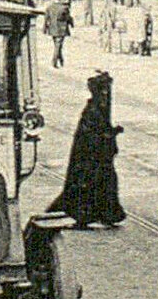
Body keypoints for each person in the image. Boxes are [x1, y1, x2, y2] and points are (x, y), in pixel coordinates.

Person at [48, 72, 126, 229]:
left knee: (104, 182)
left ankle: (104, 214)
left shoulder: (96, 107)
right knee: (95, 183)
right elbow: (95, 134)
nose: (106, 96)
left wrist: (110, 133)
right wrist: (112, 133)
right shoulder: (93, 110)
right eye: (104, 91)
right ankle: (90, 214)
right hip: (91, 158)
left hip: (97, 157)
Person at [43, 0, 73, 69]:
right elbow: (68, 17)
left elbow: (46, 18)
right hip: (61, 28)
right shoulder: (64, 8)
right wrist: (71, 24)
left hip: (52, 28)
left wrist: (44, 28)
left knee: (57, 45)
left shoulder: (49, 8)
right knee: (58, 45)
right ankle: (54, 61)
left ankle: (61, 60)